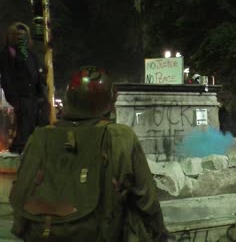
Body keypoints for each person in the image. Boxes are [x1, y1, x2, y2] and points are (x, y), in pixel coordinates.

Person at [9, 67, 169, 242]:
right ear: (109, 103)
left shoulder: (40, 136)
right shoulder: (119, 136)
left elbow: (18, 190)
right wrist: (161, 234)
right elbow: (146, 198)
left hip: (39, 232)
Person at [0, 22, 49, 153]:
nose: (21, 37)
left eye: (23, 35)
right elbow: (6, 78)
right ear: (12, 36)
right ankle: (20, 151)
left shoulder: (30, 53)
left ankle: (33, 151)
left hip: (36, 96)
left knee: (37, 125)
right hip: (22, 97)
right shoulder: (8, 54)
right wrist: (14, 99)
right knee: (24, 127)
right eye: (18, 35)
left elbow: (39, 70)